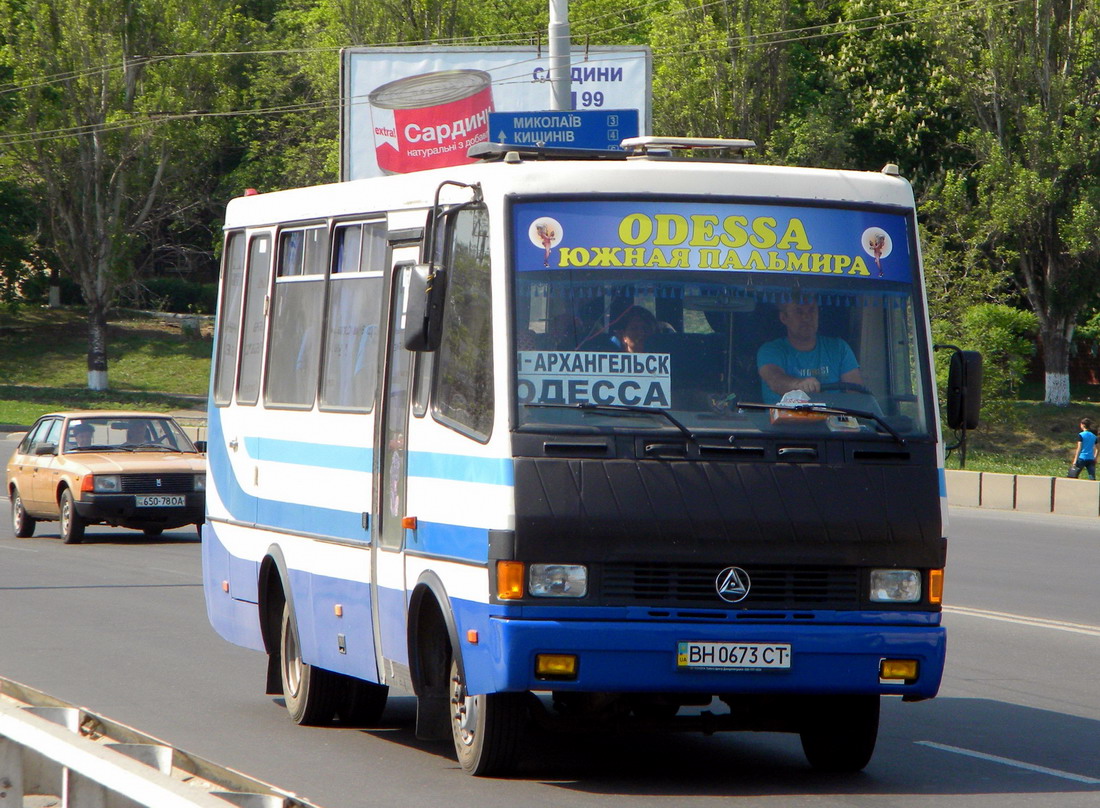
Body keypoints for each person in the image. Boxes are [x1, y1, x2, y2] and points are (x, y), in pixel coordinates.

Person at [757, 299, 863, 404]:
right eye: (799, 312)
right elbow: (774, 380)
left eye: (812, 310)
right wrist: (799, 385)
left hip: (833, 419)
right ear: (784, 317)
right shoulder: (770, 351)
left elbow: (856, 393)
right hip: (781, 420)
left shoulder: (839, 348)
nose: (807, 317)